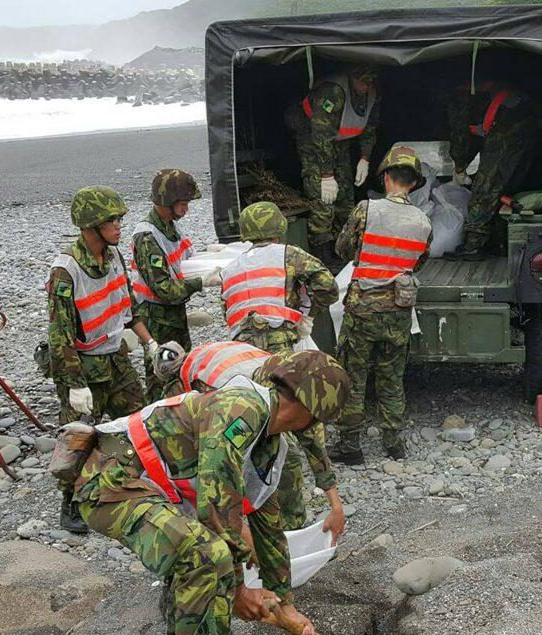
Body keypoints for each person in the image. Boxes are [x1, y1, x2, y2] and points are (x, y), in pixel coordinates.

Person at [73, 350, 349, 635]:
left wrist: (285, 604)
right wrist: (240, 589)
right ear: (311, 412)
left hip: (146, 485)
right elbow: (216, 502)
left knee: (207, 562)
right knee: (210, 557)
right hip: (109, 477)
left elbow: (268, 528)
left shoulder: (269, 443)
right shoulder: (241, 410)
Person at [152, 341, 346, 541]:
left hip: (244, 378)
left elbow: (311, 442)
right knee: (264, 463)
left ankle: (288, 530)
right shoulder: (224, 376)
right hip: (243, 385)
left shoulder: (283, 387)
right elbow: (217, 471)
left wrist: (336, 507)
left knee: (284, 459)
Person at [47, 186, 153, 533]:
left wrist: (149, 342)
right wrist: (75, 384)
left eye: (120, 218)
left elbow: (128, 305)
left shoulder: (114, 256)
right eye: (112, 220)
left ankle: (126, 481)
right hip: (81, 362)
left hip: (114, 355)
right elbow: (59, 333)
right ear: (91, 225)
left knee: (137, 419)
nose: (120, 225)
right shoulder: (66, 271)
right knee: (78, 435)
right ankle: (70, 503)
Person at [329, 146, 432, 464]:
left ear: (386, 177)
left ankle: (351, 446)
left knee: (354, 377)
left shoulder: (366, 209)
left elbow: (342, 248)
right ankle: (393, 443)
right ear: (413, 184)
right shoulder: (423, 221)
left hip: (362, 311)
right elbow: (419, 263)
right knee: (392, 377)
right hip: (399, 313)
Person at [132, 169, 219, 400]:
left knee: (182, 367)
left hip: (173, 314)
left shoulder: (169, 226)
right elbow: (163, 289)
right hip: (155, 316)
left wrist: (211, 256)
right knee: (160, 375)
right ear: (166, 202)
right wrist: (200, 282)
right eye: (182, 203)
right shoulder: (147, 237)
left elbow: (184, 262)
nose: (186, 209)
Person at [284, 64, 380, 265]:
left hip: (339, 141)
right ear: (351, 77)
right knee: (323, 196)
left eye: (369, 81)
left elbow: (370, 128)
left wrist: (365, 158)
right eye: (361, 80)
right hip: (312, 139)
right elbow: (320, 136)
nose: (365, 86)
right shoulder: (333, 92)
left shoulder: (372, 94)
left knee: (345, 192)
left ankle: (343, 245)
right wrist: (326, 175)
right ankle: (321, 251)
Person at [219, 202, 338, 355]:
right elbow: (329, 287)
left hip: (241, 348)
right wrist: (309, 316)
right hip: (281, 341)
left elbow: (226, 311)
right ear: (279, 228)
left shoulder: (229, 269)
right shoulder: (289, 255)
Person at [445, 83, 540, 260]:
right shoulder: (487, 94)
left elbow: (461, 138)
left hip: (506, 127)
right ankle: (499, 242)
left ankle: (474, 245)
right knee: (503, 188)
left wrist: (459, 166)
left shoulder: (462, 101)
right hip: (524, 124)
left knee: (486, 187)